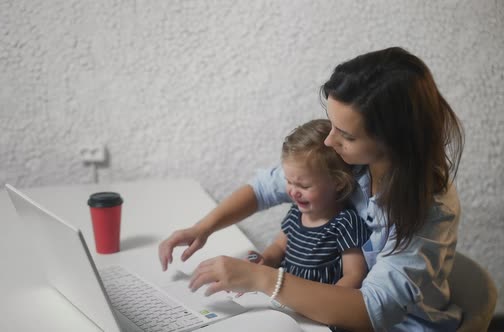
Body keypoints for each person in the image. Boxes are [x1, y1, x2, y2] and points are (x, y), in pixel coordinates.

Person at [158, 46, 464, 331]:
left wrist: (263, 280)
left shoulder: (430, 209)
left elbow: (374, 309)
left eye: (346, 135)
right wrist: (203, 227)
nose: (330, 141)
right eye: (331, 124)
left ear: (394, 141)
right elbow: (265, 188)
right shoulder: (348, 160)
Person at [248, 119, 369, 288]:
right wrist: (265, 260)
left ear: (337, 182)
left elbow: (355, 274)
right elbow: (278, 247)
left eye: (304, 186)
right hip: (286, 297)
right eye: (289, 182)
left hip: (317, 307)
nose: (293, 191)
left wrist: (328, 303)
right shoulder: (296, 213)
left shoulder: (345, 223)